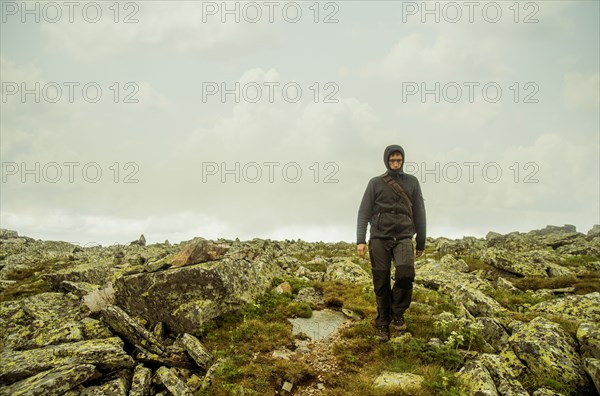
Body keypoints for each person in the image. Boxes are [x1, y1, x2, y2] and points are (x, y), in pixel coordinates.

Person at [356, 144, 426, 342]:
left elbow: (420, 212)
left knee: (405, 273)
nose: (395, 163)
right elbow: (364, 212)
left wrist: (420, 241)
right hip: (379, 237)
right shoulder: (375, 183)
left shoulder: (412, 182)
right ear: (386, 160)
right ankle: (383, 322)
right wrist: (360, 240)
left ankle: (397, 312)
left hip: (404, 236)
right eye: (392, 160)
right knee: (381, 280)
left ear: (403, 160)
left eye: (399, 160)